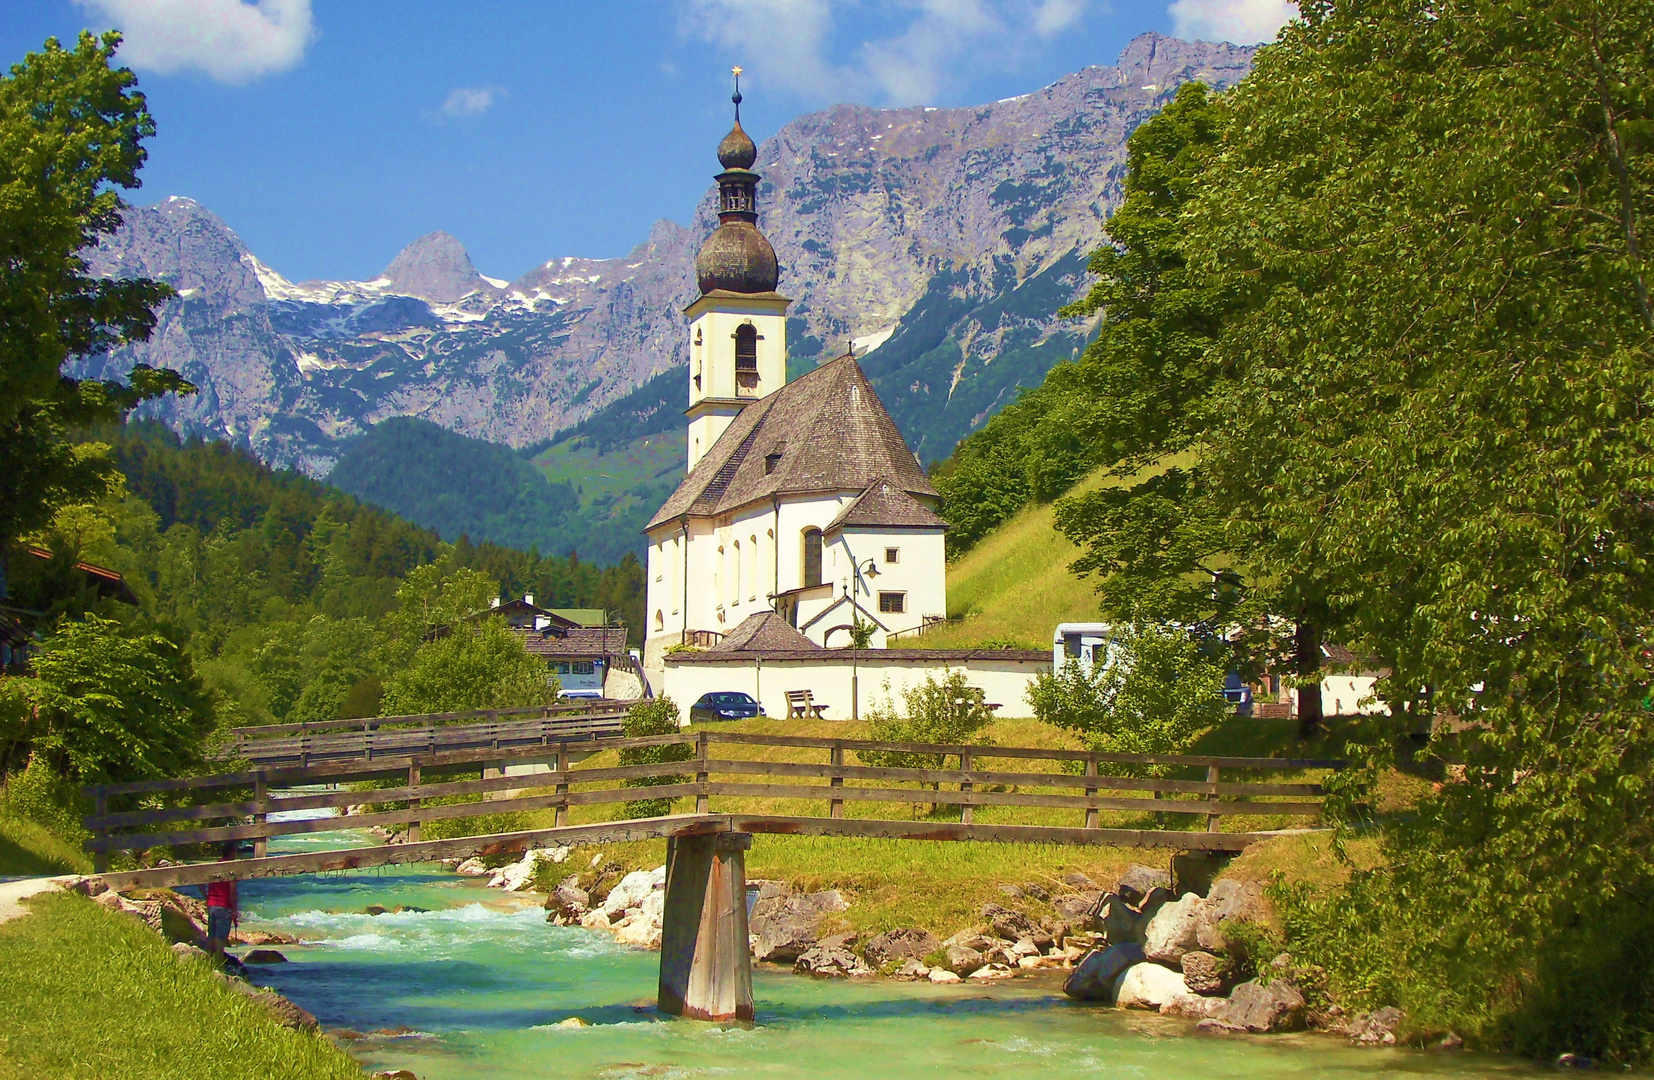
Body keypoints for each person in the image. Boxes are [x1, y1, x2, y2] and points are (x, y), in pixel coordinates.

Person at [205, 840, 239, 963]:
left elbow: (198, 881)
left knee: (211, 935)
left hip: (211, 904)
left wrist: (206, 896)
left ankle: (208, 962)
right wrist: (235, 910)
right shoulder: (231, 869)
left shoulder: (214, 866)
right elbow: (232, 891)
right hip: (224, 905)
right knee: (220, 939)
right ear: (233, 852)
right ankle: (218, 965)